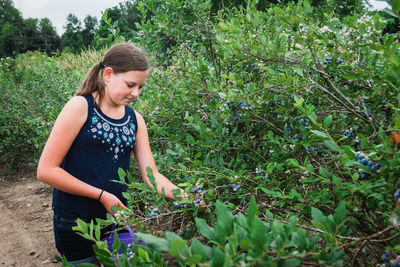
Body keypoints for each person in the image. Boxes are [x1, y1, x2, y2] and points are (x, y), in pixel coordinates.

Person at [37, 43, 188, 265]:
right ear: (108, 74)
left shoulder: (135, 120)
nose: (136, 93)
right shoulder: (80, 107)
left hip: (115, 218)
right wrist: (102, 196)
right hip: (75, 220)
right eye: (130, 85)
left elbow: (151, 176)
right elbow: (46, 170)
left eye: (141, 87)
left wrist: (187, 196)